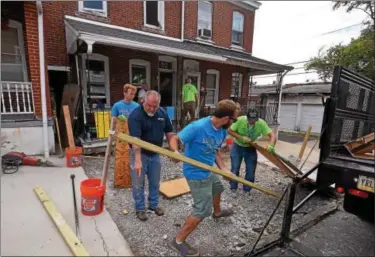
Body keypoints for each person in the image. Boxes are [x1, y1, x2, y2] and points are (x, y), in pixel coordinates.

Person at [168, 99, 239, 256]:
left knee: (218, 188)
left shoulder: (221, 131)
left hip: (208, 169)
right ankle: (178, 241)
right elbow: (175, 139)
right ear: (227, 118)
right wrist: (175, 152)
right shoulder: (197, 127)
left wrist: (223, 169)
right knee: (202, 210)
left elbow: (215, 151)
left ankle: (218, 212)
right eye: (234, 119)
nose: (233, 123)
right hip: (195, 173)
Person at [128, 90, 175, 221]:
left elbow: (170, 133)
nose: (152, 109)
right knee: (138, 183)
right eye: (149, 105)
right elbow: (135, 140)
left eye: (155, 106)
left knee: (154, 181)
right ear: (143, 101)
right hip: (139, 153)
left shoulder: (162, 114)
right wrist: (137, 160)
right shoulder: (136, 115)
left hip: (155, 154)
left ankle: (153, 205)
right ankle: (140, 209)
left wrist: (173, 151)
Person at [228, 107, 276, 193]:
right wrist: (240, 137)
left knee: (250, 170)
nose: (252, 122)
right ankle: (233, 187)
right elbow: (230, 130)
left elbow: (272, 135)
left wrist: (271, 145)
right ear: (247, 117)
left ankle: (247, 190)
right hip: (237, 147)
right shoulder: (239, 120)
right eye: (250, 120)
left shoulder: (261, 123)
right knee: (235, 168)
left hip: (251, 148)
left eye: (254, 120)